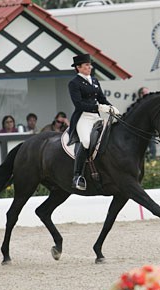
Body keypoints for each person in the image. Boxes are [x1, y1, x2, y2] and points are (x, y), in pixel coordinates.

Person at [68, 53, 119, 191]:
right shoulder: (74, 83)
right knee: (85, 141)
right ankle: (77, 176)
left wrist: (111, 107)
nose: (89, 67)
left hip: (96, 116)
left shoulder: (95, 81)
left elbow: (101, 98)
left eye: (89, 65)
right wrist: (97, 107)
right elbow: (78, 104)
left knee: (110, 135)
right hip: (83, 117)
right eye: (86, 65)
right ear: (79, 67)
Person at [138, 87, 156, 160]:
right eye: (144, 93)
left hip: (150, 130)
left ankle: (152, 163)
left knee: (152, 149)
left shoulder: (152, 104)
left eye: (147, 93)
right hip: (140, 131)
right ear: (140, 94)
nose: (146, 94)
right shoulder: (137, 105)